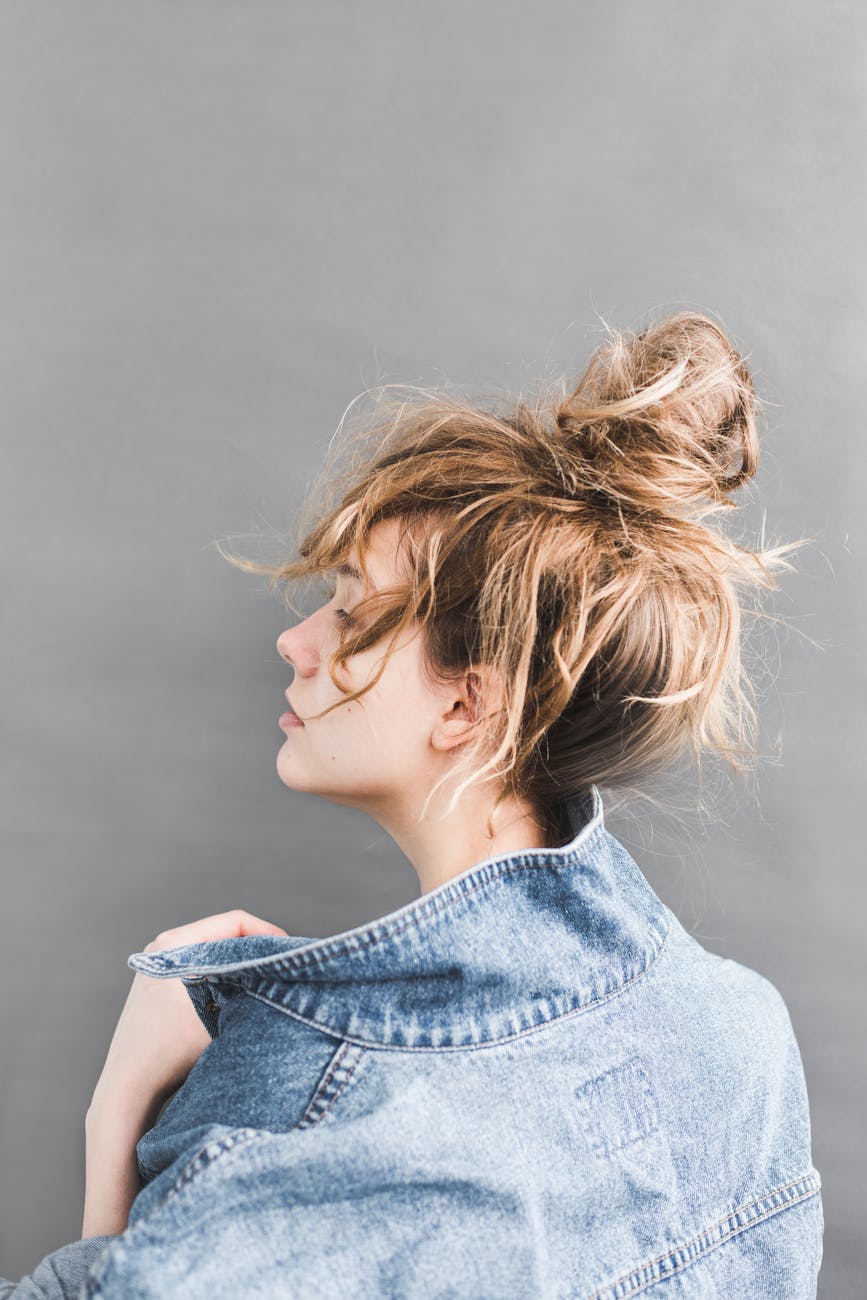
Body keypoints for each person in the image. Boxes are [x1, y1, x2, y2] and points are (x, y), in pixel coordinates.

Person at [0, 311, 824, 1297]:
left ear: (467, 704)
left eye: (350, 612)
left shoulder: (314, 1131)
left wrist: (118, 1120)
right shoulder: (741, 1035)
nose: (296, 642)